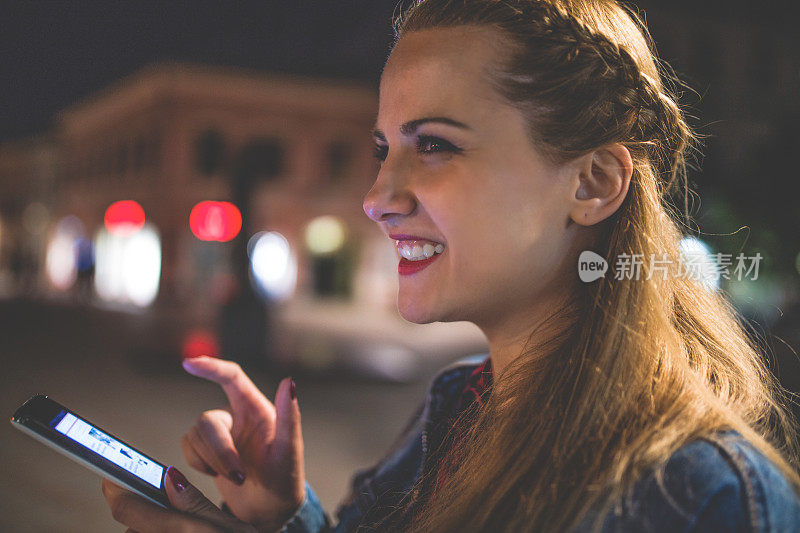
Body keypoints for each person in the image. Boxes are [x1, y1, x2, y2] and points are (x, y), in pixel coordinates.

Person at [101, 0, 800, 531]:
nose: (377, 198)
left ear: (591, 184)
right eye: (382, 149)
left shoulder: (702, 492)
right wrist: (285, 515)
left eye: (434, 144)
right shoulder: (459, 405)